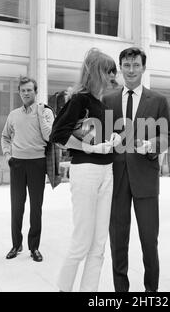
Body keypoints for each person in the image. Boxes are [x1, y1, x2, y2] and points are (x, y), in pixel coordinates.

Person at [50, 48, 120, 292]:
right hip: (86, 171)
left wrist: (111, 139)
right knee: (82, 241)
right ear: (97, 72)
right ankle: (63, 289)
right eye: (109, 71)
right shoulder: (79, 99)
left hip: (107, 171)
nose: (113, 76)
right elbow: (58, 134)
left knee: (99, 245)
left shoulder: (101, 103)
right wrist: (91, 149)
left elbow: (96, 136)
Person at [102, 47, 170, 292]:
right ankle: (121, 291)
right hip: (116, 180)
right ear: (121, 67)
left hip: (146, 179)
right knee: (118, 241)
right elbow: (100, 135)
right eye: (127, 65)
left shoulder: (159, 101)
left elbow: (167, 137)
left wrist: (151, 145)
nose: (131, 70)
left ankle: (151, 290)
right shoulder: (107, 99)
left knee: (149, 241)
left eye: (136, 65)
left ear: (143, 67)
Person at [1, 76, 55, 262]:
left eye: (29, 90)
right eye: (23, 90)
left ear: (35, 91)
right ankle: (16, 245)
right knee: (16, 207)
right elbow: (5, 137)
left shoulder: (45, 112)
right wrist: (8, 156)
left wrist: (39, 113)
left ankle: (34, 248)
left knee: (36, 207)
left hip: (37, 164)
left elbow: (49, 137)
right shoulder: (13, 115)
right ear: (19, 92)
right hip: (17, 164)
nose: (26, 93)